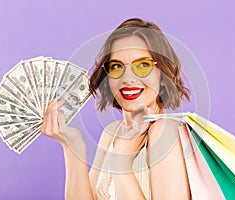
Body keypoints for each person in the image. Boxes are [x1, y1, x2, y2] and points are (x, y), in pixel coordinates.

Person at [41, 18, 192, 199]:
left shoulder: (165, 131)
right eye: (117, 67)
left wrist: (121, 164)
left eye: (143, 65)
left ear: (163, 73)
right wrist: (73, 149)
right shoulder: (112, 133)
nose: (127, 78)